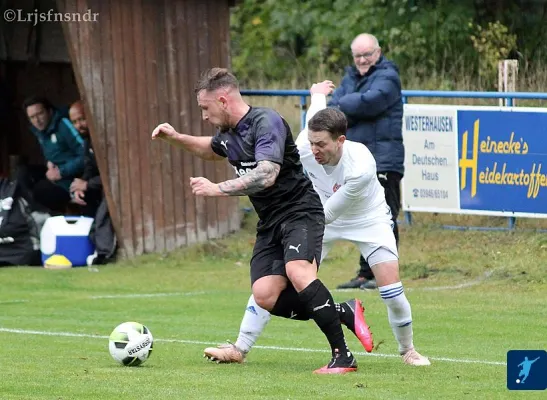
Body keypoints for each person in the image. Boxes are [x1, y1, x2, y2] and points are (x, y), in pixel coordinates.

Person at [151, 68, 366, 374]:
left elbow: (267, 174)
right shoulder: (228, 133)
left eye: (205, 108)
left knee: (298, 271)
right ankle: (342, 310)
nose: (204, 116)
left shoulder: (266, 123)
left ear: (223, 100)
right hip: (270, 222)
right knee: (265, 295)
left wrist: (217, 189)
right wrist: (175, 138)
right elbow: (213, 151)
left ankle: (342, 356)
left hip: (299, 211)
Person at [203, 81, 430, 367]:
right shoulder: (304, 146)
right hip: (316, 210)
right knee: (277, 279)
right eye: (312, 142)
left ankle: (408, 350)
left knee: (390, 287)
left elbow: (325, 215)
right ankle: (240, 347)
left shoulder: (360, 168)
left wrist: (295, 226)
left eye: (321, 144)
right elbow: (318, 104)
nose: (315, 149)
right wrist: (318, 91)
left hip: (365, 218)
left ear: (341, 141)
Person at [328, 33, 405, 291]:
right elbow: (332, 108)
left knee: (384, 218)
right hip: (358, 162)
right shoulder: (350, 77)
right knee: (362, 216)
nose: (362, 60)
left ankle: (383, 276)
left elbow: (369, 104)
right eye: (358, 55)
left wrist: (344, 105)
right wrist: (347, 105)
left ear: (378, 52)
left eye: (367, 55)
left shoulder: (389, 77)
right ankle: (365, 274)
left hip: (384, 160)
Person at [22, 96, 85, 214]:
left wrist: (61, 172)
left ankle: (51, 216)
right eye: (32, 117)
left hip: (72, 177)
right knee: (23, 173)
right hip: (55, 173)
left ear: (50, 111)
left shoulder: (63, 124)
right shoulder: (40, 132)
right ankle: (32, 216)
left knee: (42, 190)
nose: (37, 120)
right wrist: (50, 164)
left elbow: (85, 156)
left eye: (40, 114)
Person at [68, 100, 102, 217]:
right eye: (74, 122)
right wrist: (80, 186)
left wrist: (87, 184)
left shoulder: (103, 139)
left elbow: (115, 175)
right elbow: (89, 167)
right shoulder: (87, 141)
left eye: (82, 119)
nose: (79, 125)